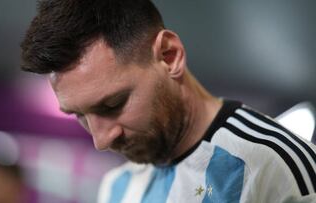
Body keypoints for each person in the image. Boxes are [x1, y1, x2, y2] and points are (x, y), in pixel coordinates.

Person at [20, 0, 316, 202]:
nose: (101, 140)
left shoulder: (276, 167)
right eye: (79, 115)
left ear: (168, 56)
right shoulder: (116, 188)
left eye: (113, 105)